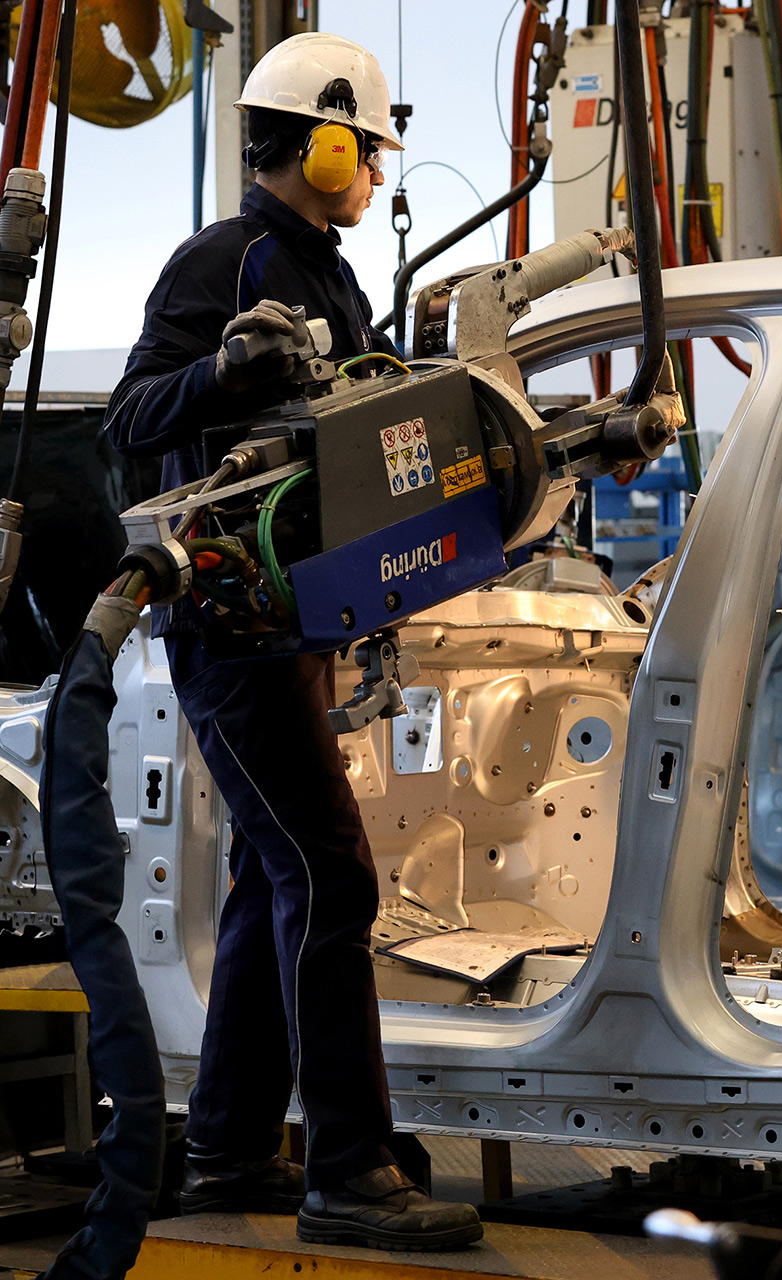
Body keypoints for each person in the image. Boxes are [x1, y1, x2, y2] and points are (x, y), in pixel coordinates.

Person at [104, 32, 483, 1252]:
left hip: (292, 621)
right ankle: (350, 1168)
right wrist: (219, 366)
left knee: (280, 880)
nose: (374, 171)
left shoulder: (326, 273)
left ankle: (223, 1155)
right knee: (331, 877)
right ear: (327, 142)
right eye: (369, 149)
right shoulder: (226, 260)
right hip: (230, 624)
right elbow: (130, 421)